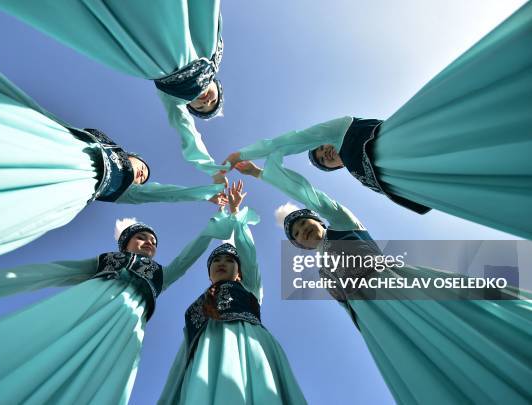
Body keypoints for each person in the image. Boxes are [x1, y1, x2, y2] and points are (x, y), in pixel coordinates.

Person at [0, 22, 226, 295]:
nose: (142, 175)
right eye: (141, 168)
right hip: (60, 148)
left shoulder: (122, 192)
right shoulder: (97, 142)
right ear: (128, 155)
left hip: (73, 187)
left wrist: (207, 193)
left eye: (144, 177)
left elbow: (168, 195)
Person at [235, 157, 532, 403]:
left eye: (304, 223)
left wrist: (260, 174)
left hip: (393, 284)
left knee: (456, 324)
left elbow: (309, 193)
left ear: (318, 220)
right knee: (421, 364)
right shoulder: (323, 270)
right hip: (376, 320)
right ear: (299, 245)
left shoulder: (342, 224)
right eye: (297, 234)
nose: (303, 231)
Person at [224, 1, 532, 238]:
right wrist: (260, 174)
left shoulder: (343, 127)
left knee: (479, 130)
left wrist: (248, 156)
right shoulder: (360, 173)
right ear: (337, 167)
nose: (325, 153)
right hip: (417, 184)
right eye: (324, 160)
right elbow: (306, 193)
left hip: (408, 144)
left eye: (321, 148)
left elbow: (291, 140)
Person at [0, 201, 246, 404]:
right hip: (87, 300)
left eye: (153, 241)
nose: (149, 243)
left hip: (126, 321)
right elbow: (55, 272)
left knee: (101, 376)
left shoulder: (160, 274)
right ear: (125, 242)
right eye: (142, 237)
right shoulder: (106, 260)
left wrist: (216, 222)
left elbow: (189, 257)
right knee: (31, 344)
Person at [0, 0, 230, 179]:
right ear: (217, 86)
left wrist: (212, 169)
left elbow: (189, 136)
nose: (203, 101)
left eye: (199, 107)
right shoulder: (211, 47)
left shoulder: (173, 97)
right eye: (211, 102)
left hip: (147, 50)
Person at [158, 181, 307, 404]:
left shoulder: (249, 288)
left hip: (248, 344)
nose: (222, 263)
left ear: (239, 271)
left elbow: (249, 255)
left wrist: (236, 213)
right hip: (205, 353)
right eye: (216, 260)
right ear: (209, 273)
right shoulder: (198, 305)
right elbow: (185, 349)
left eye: (229, 261)